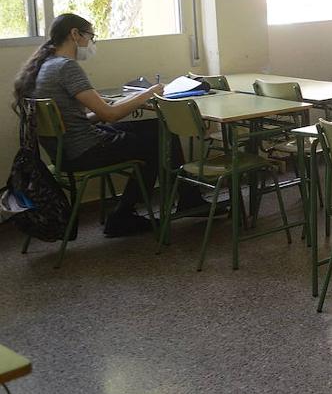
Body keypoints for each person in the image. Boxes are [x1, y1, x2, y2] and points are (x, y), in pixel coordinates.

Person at [11, 13, 208, 237]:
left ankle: (183, 199)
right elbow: (111, 115)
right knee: (161, 137)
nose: (91, 44)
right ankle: (130, 214)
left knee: (156, 128)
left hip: (64, 150)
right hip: (85, 149)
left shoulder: (45, 66)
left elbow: (80, 118)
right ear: (74, 34)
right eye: (90, 37)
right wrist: (148, 93)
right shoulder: (66, 67)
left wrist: (114, 107)